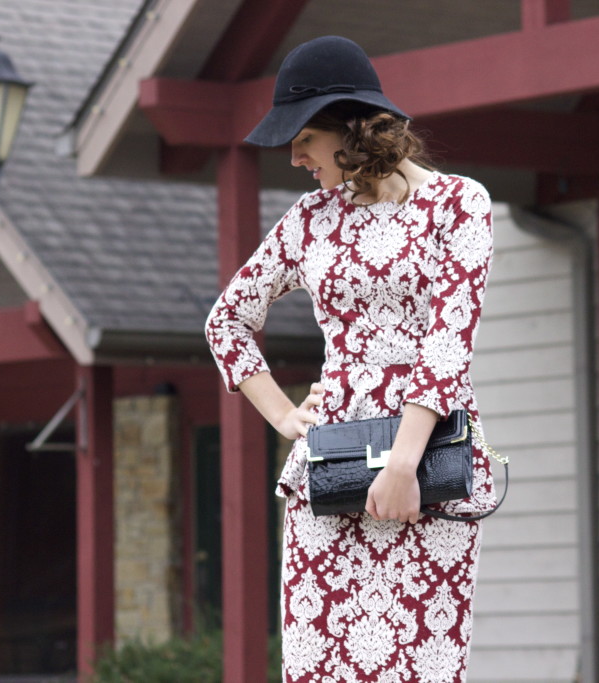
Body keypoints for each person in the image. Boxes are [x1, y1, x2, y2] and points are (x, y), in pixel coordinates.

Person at [205, 35, 496, 682]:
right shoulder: (309, 221)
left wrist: (402, 463)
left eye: (303, 137)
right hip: (329, 472)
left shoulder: (459, 205)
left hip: (431, 474)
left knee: (424, 666)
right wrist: (284, 416)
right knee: (318, 667)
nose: (295, 156)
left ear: (351, 127)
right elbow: (226, 321)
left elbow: (449, 340)